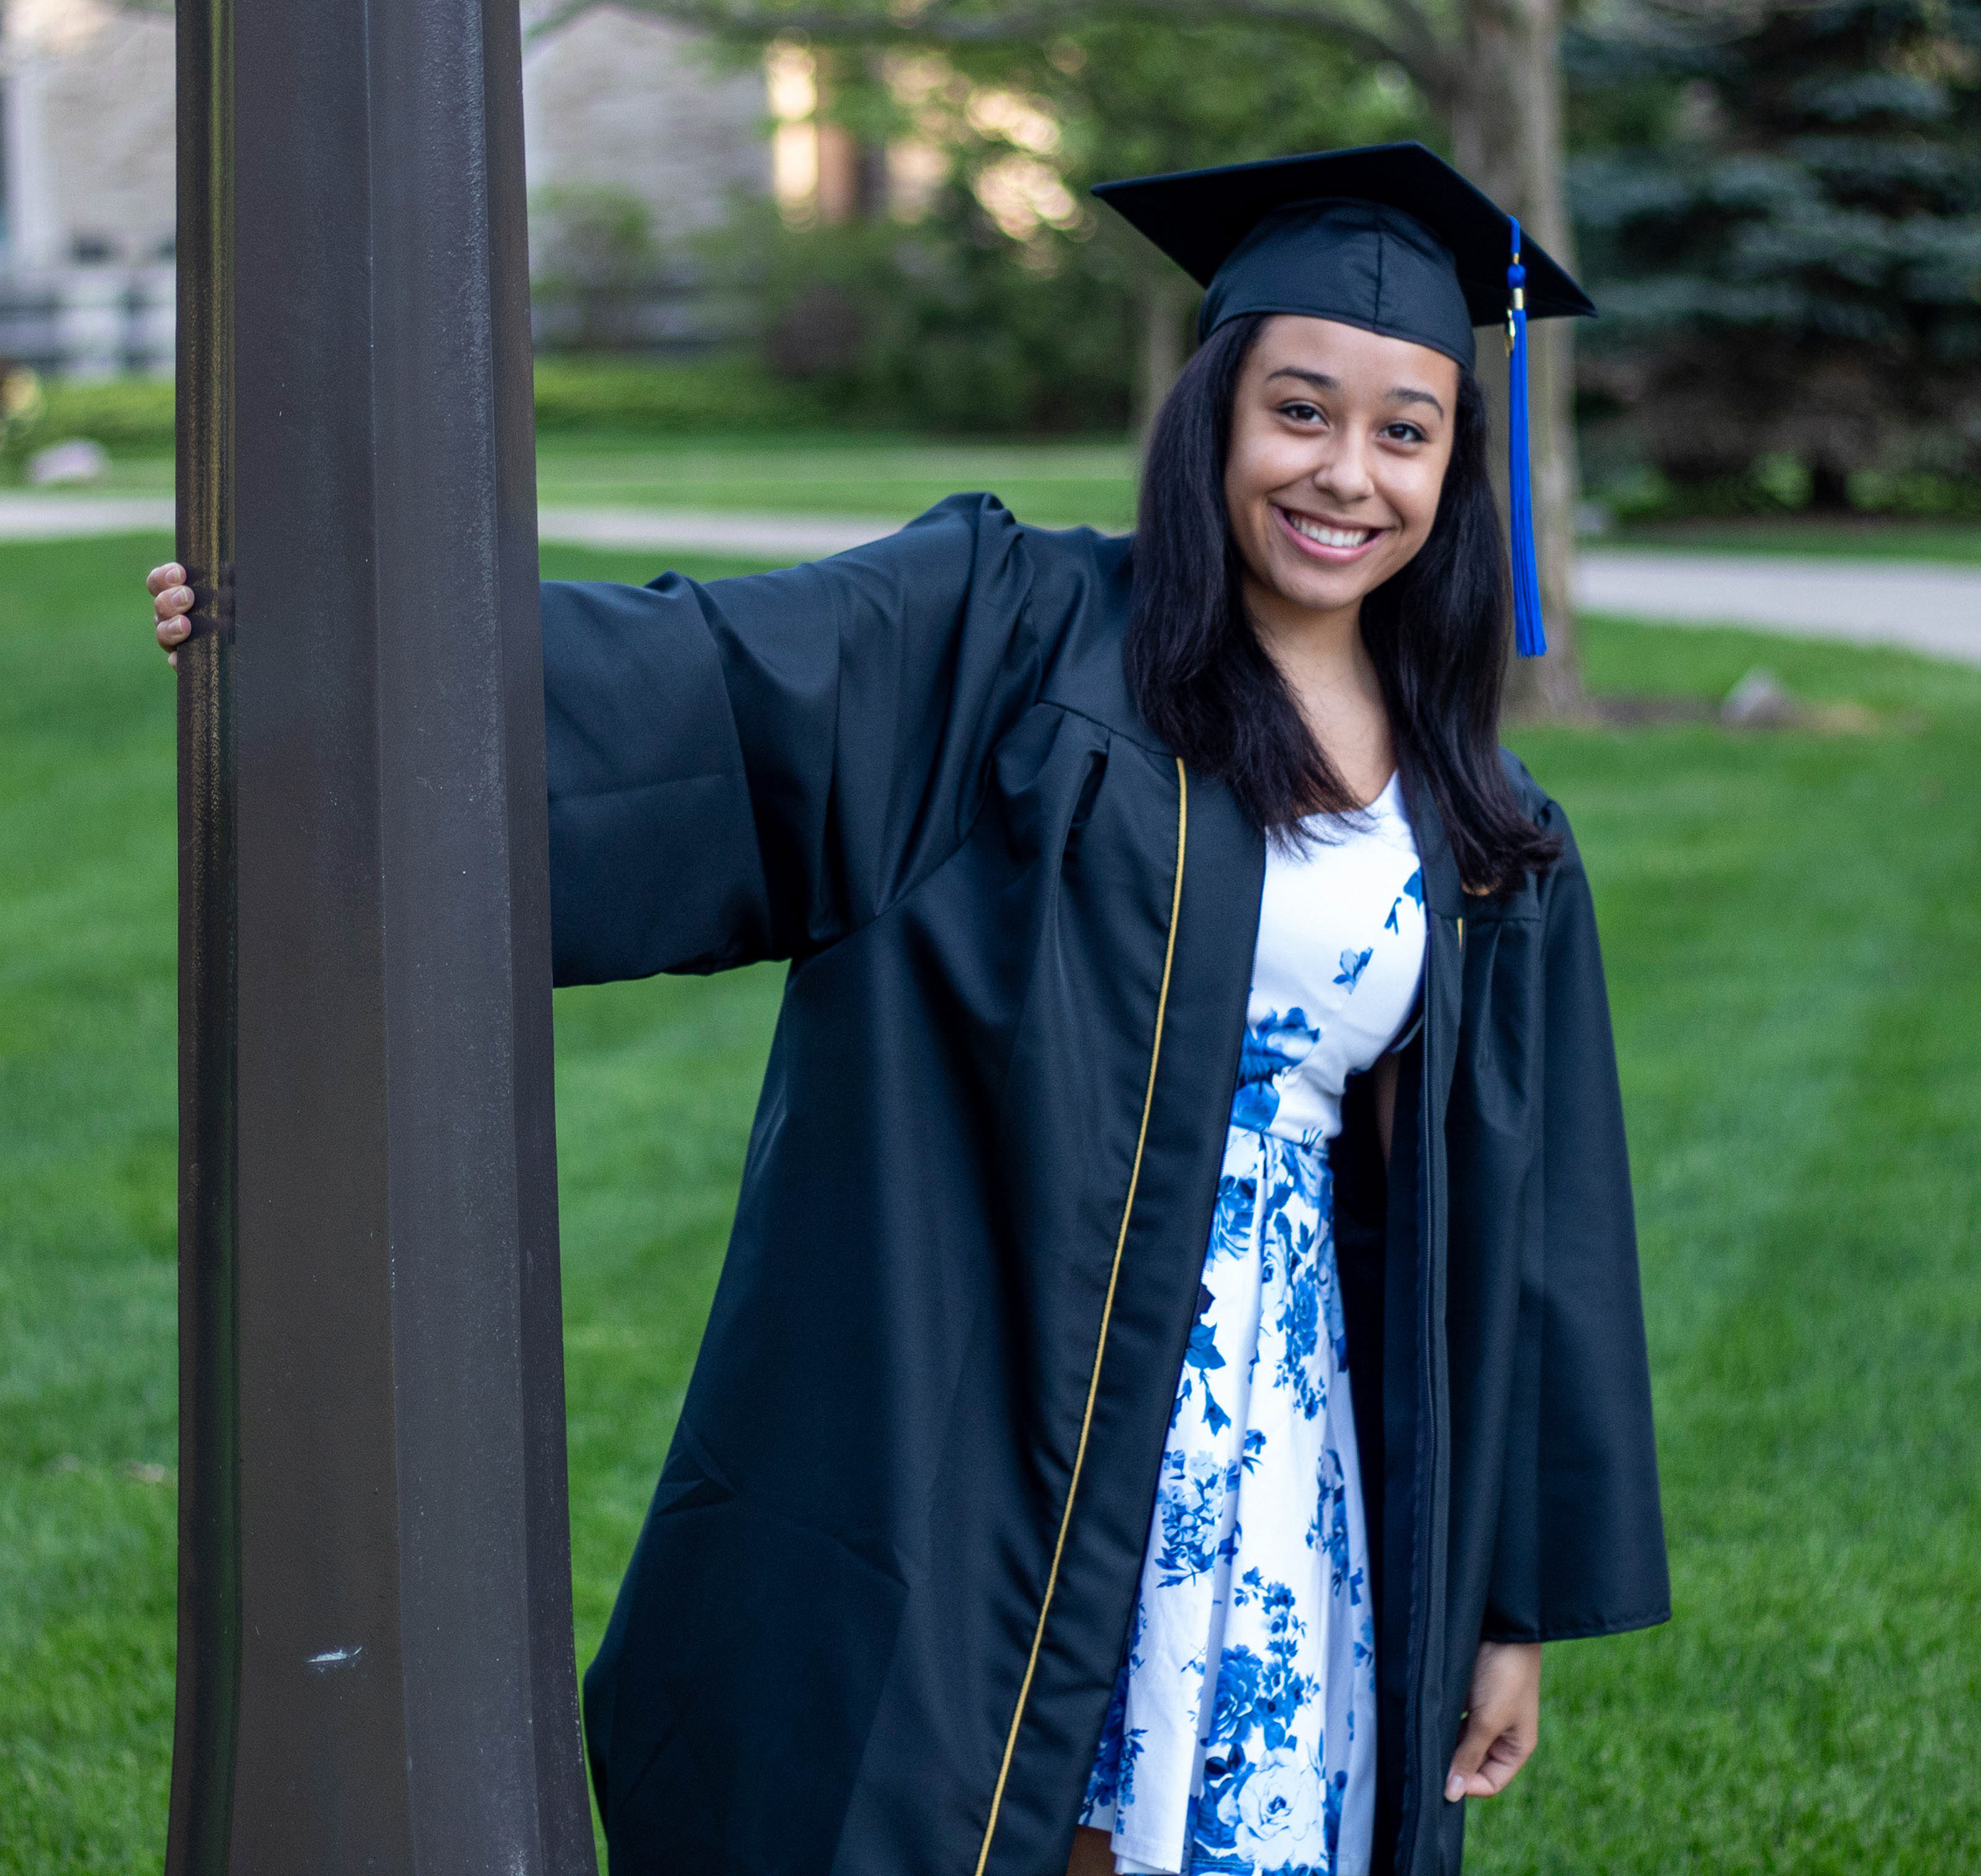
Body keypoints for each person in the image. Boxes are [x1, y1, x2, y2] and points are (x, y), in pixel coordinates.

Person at [146, 143, 1666, 1876]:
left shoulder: (1483, 826)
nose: (1346, 472)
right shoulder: (1011, 636)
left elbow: (1528, 1231)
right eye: (1299, 411)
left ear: (1458, 469)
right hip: (1006, 1391)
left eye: (1406, 431)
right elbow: (712, 684)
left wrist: (1501, 1603)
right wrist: (328, 647)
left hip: (1289, 1429)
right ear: (1213, 420)